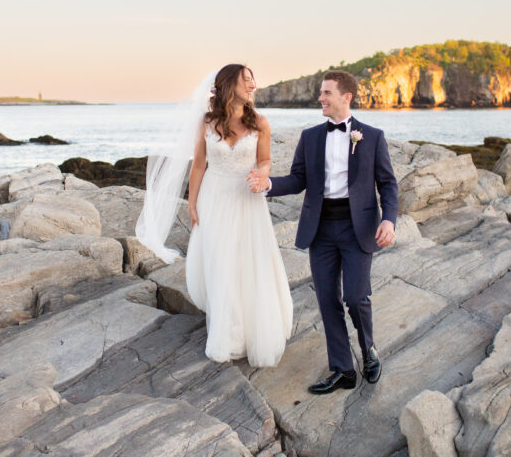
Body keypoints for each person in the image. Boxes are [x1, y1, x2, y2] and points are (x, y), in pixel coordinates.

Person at [249, 70, 397, 393]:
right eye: (320, 93)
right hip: (321, 229)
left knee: (356, 297)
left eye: (327, 93)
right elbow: (298, 179)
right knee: (327, 299)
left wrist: (389, 220)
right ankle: (343, 369)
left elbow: (387, 183)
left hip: (359, 228)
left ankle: (368, 350)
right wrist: (268, 184)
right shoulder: (311, 137)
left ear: (347, 97)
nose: (321, 98)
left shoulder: (371, 136)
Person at [136, 64, 293, 368]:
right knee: (221, 263)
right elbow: (198, 165)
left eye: (253, 80)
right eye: (246, 80)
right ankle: (227, 335)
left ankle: (253, 332)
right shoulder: (206, 122)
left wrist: (262, 175)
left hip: (246, 199)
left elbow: (265, 160)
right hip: (214, 197)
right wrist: (192, 204)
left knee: (248, 262)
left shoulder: (260, 122)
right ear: (228, 85)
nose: (252, 85)